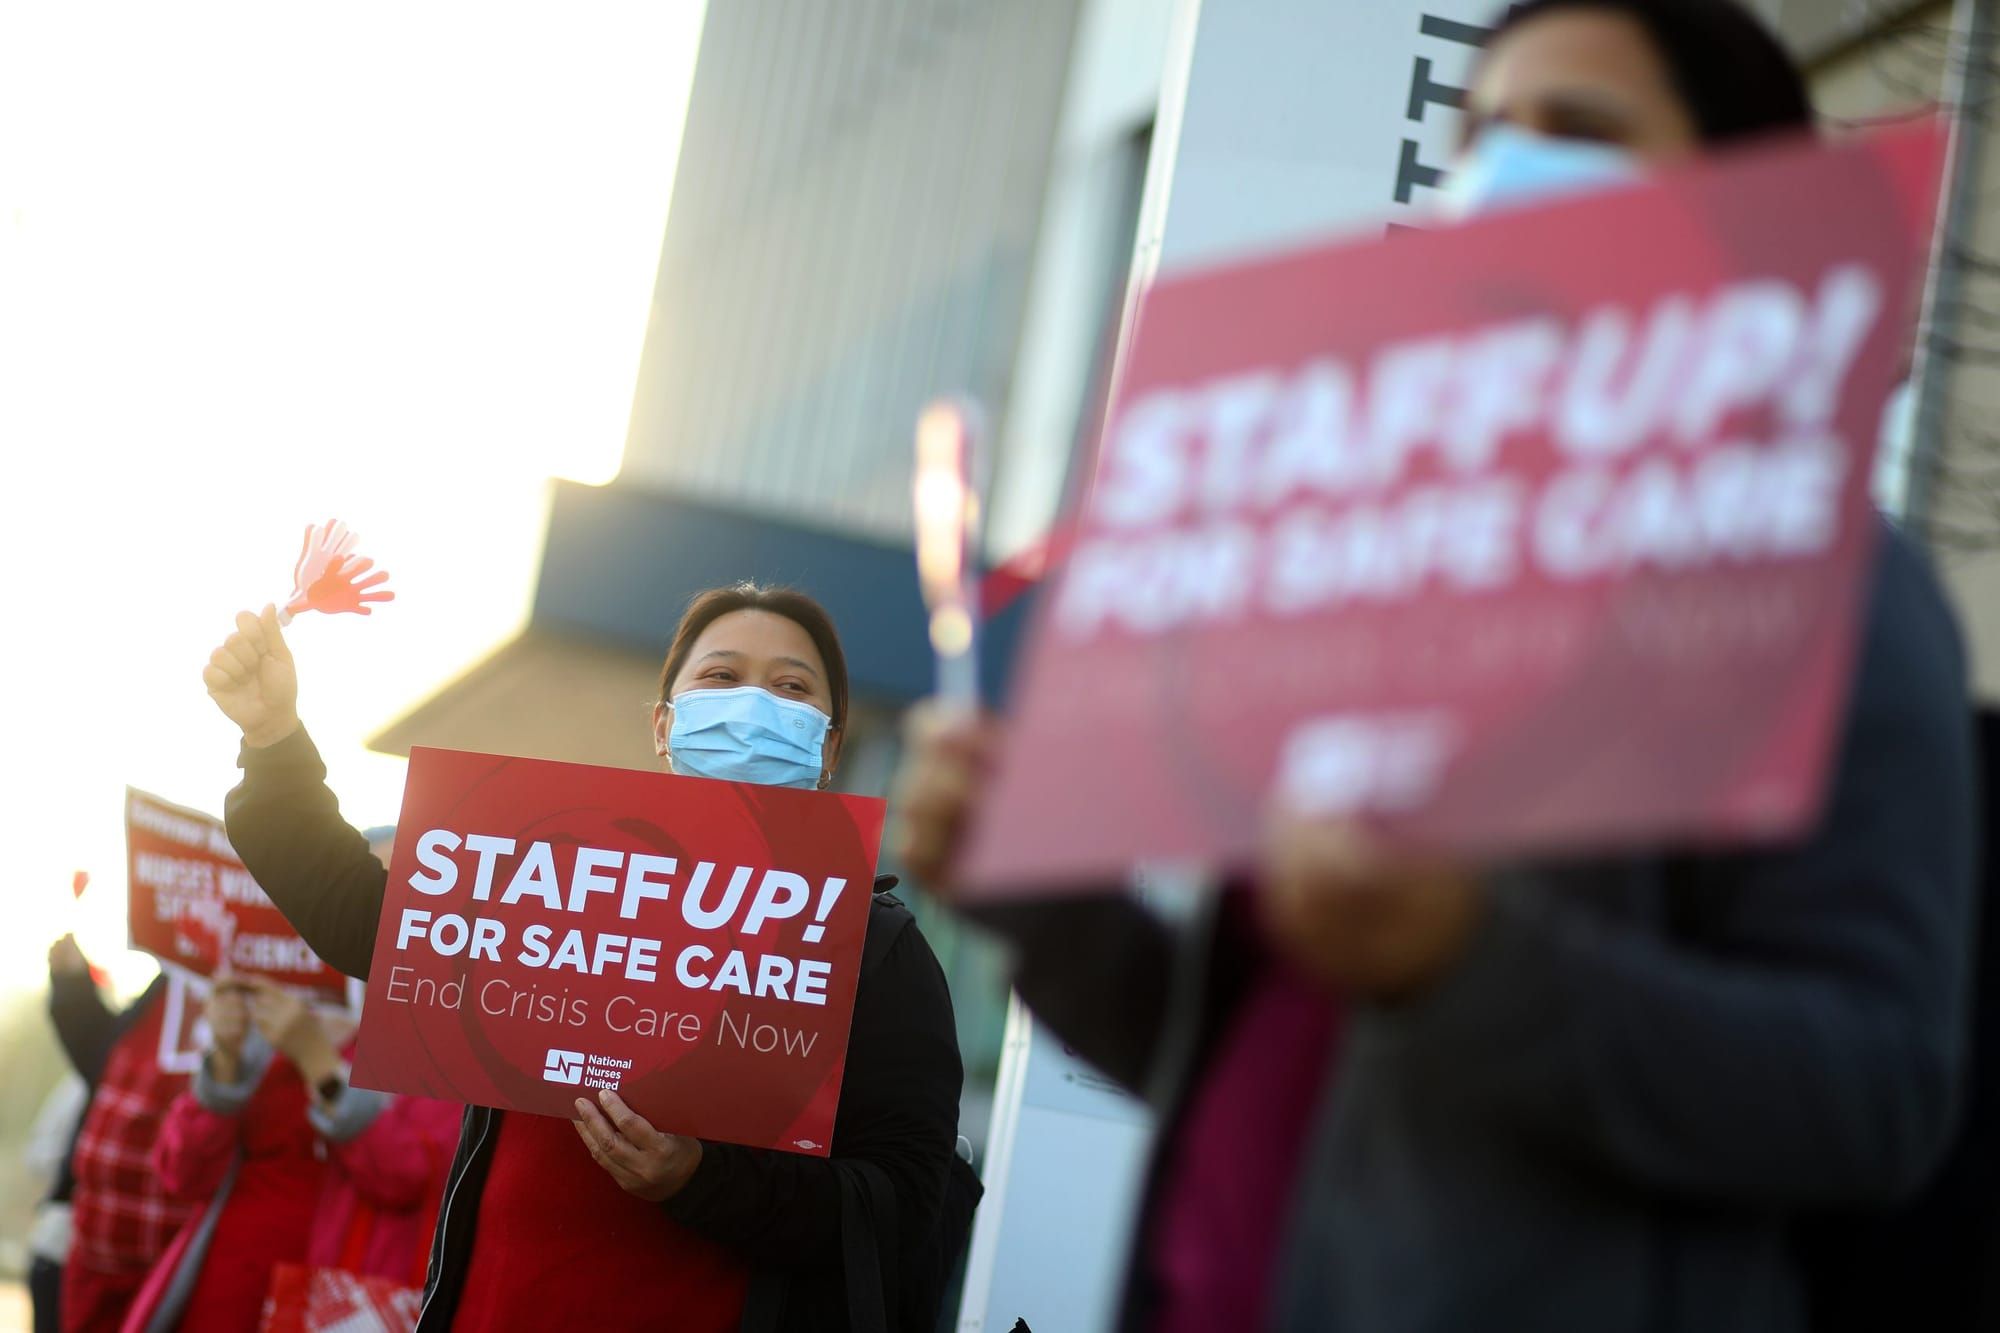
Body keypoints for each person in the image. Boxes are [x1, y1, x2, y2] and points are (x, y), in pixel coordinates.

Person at [892, 3, 1980, 1331]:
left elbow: (1879, 1095)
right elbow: (1251, 1057)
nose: (1507, 168)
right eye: (1480, 133)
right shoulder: (1377, 567)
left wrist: (1469, 960)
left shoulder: (1826, 583)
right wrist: (1043, 894)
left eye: (1577, 130)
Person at [200, 582, 966, 1332]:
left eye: (791, 686)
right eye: (722, 676)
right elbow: (359, 916)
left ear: (829, 744)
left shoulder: (873, 947)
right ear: (666, 725)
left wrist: (701, 1179)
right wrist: (273, 742)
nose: (753, 706)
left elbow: (901, 1200)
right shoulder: (555, 880)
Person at [122, 976, 458, 1332]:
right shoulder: (267, 1029)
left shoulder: (425, 1041)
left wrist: (316, 1059)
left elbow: (408, 1178)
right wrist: (224, 1059)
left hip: (332, 1301)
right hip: (226, 1290)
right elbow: (181, 1174)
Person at [46, 939, 200, 1333]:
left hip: (173, 1265)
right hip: (97, 1251)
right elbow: (103, 1059)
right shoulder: (168, 982)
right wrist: (72, 988)